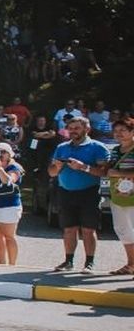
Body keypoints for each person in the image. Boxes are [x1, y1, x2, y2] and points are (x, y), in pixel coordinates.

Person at [49, 115, 111, 272]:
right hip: (65, 191)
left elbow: (105, 172)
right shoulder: (62, 147)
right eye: (70, 129)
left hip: (89, 192)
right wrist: (56, 167)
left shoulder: (98, 147)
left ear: (87, 129)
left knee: (88, 229)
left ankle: (89, 263)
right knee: (69, 229)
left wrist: (84, 167)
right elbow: (51, 173)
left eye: (77, 128)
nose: (73, 131)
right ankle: (68, 261)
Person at [107, 116, 134, 276]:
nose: (119, 134)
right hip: (118, 195)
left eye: (123, 130)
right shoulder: (116, 150)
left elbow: (115, 172)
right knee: (123, 229)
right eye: (116, 131)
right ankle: (131, 264)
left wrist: (118, 173)